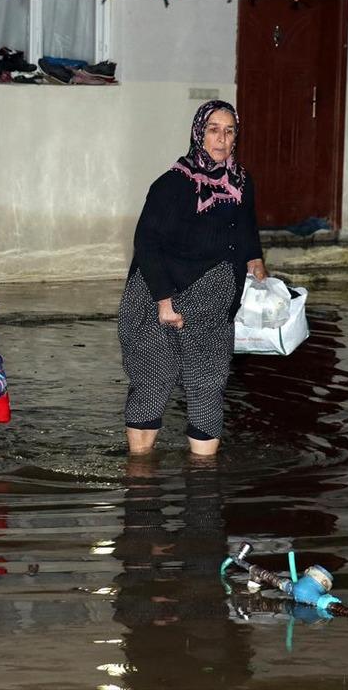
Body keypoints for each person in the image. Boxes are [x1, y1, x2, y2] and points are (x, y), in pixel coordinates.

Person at [118, 100, 267, 457]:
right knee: (154, 382)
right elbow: (147, 244)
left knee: (208, 386)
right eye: (214, 129)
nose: (222, 138)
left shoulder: (241, 183)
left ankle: (203, 483)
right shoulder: (173, 184)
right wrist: (165, 302)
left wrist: (255, 262)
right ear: (199, 133)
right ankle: (140, 476)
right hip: (159, 298)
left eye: (229, 131)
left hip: (212, 304)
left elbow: (245, 231)